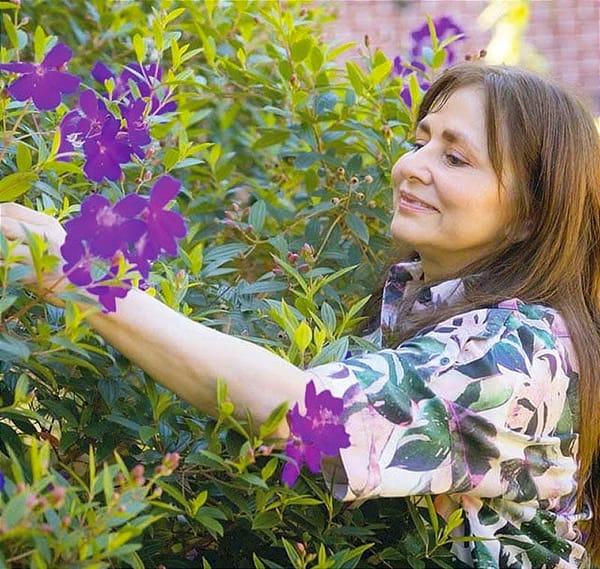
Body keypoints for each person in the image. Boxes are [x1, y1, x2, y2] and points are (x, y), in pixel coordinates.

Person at [1, 61, 599, 568]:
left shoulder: (519, 353)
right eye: (422, 140)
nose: (413, 165)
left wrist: (74, 274)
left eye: (456, 158)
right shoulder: (423, 301)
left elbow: (299, 413)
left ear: (529, 214)